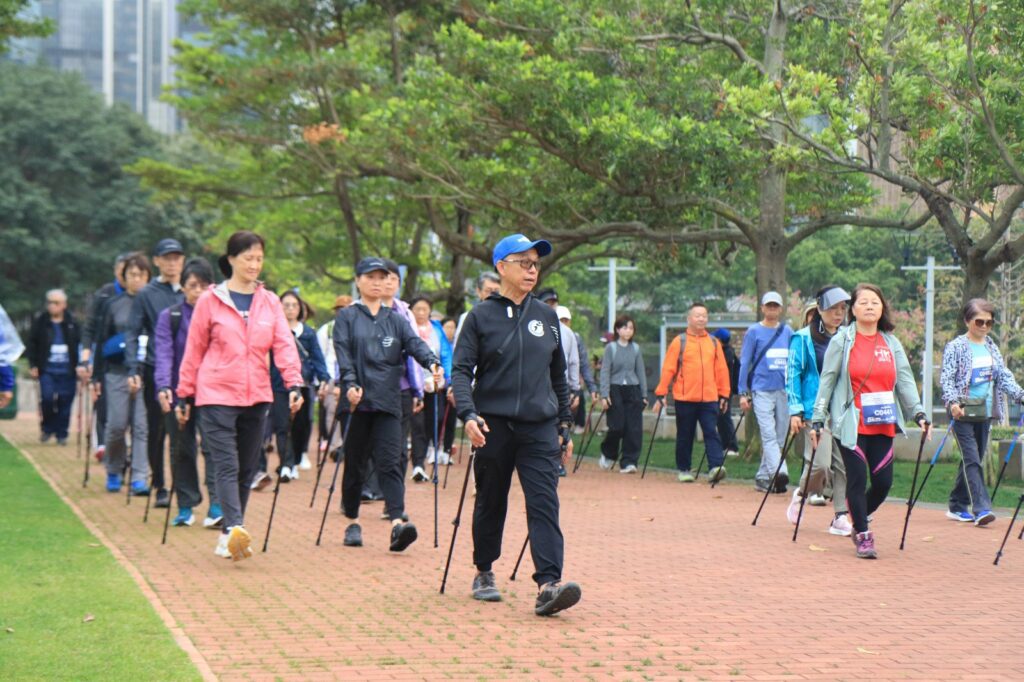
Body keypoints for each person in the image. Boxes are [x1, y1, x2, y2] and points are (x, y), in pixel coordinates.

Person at [452, 233, 581, 616]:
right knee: (491, 498)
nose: (531, 270)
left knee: (544, 501)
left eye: (536, 264)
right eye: (523, 262)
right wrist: (468, 414)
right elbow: (460, 371)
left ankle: (548, 584)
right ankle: (484, 570)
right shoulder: (479, 317)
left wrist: (564, 422)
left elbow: (558, 376)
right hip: (492, 424)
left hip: (539, 426)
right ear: (501, 267)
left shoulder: (547, 316)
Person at [176, 231, 305, 562]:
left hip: (257, 393)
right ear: (231, 259)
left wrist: (293, 383)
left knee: (248, 467)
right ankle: (235, 526)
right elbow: (194, 350)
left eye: (259, 258)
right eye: (248, 257)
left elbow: (283, 344)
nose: (254, 264)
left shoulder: (269, 301)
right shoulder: (210, 300)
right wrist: (184, 394)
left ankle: (228, 535)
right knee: (227, 463)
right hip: (215, 393)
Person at [332, 257, 444, 552]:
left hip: (388, 402)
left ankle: (397, 523)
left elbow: (414, 344)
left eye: (383, 277)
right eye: (370, 277)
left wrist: (432, 362)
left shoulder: (395, 319)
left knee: (392, 461)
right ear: (357, 281)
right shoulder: (347, 317)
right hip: (356, 402)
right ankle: (352, 521)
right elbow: (343, 353)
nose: (377, 282)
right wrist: (350, 383)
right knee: (354, 464)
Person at [811, 283, 930, 560]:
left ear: (882, 309)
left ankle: (859, 513)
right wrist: (818, 419)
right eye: (862, 302)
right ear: (853, 309)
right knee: (856, 477)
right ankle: (863, 534)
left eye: (874, 302)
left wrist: (919, 414)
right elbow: (827, 381)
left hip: (883, 421)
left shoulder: (891, 342)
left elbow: (905, 381)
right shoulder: (842, 340)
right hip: (849, 423)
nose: (869, 306)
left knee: (883, 483)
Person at [940, 298, 1024, 526]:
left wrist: (1020, 395)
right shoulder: (956, 346)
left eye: (989, 322)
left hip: (985, 411)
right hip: (962, 411)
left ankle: (957, 505)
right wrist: (952, 402)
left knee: (972, 457)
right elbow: (946, 378)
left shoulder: (991, 347)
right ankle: (982, 508)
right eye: (979, 321)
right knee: (972, 458)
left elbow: (1003, 377)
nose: (984, 326)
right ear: (968, 321)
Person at [154, 258, 221, 529]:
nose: (198, 291)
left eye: (204, 286)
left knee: (215, 447)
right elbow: (164, 355)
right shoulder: (170, 317)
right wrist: (163, 387)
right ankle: (185, 504)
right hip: (178, 390)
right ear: (182, 288)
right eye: (193, 285)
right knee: (181, 447)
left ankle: (217, 503)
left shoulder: (220, 316)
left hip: (213, 391)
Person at [785, 286, 852, 537]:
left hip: (843, 410)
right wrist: (795, 409)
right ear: (820, 309)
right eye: (833, 308)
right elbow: (793, 375)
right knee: (821, 464)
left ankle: (840, 516)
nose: (838, 314)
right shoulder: (802, 338)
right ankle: (802, 492)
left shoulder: (848, 337)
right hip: (815, 409)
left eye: (842, 309)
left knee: (844, 465)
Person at [126, 238, 186, 509]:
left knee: (184, 432)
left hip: (187, 370)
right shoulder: (147, 294)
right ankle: (159, 484)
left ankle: (184, 485)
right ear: (157, 261)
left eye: (177, 257)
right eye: (168, 258)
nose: (173, 263)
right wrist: (133, 368)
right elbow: (133, 332)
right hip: (155, 369)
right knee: (157, 430)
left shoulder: (191, 289)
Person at [653, 303, 731, 483]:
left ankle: (716, 467)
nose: (701, 318)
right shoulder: (679, 341)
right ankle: (684, 469)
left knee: (711, 432)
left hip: (709, 398)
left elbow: (721, 371)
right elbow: (668, 369)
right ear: (689, 318)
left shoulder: (713, 342)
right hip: (685, 397)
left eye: (704, 315)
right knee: (685, 434)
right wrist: (661, 392)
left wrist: (724, 394)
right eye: (697, 315)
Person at [93, 253, 152, 493]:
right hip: (116, 373)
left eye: (141, 275)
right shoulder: (113, 305)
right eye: (132, 275)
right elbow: (101, 340)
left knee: (141, 426)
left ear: (148, 277)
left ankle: (140, 476)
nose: (136, 279)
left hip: (145, 373)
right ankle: (114, 468)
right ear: (123, 277)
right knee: (116, 425)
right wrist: (97, 375)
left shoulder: (153, 304)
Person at [259, 290, 330, 484]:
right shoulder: (273, 330)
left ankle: (297, 458)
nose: (290, 309)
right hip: (279, 385)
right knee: (283, 425)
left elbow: (317, 358)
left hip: (304, 385)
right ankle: (286, 465)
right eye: (286, 305)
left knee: (303, 424)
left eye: (294, 305)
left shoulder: (307, 333)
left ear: (300, 309)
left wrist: (323, 378)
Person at [739, 292, 794, 494]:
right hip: (761, 389)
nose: (772, 309)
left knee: (780, 436)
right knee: (768, 433)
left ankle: (763, 477)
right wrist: (742, 392)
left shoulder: (787, 331)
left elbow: (794, 359)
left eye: (775, 306)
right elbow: (745, 362)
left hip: (784, 390)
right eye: (768, 306)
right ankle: (780, 472)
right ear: (762, 308)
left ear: (780, 309)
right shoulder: (754, 331)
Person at [80, 253, 130, 460]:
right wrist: (85, 358)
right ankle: (102, 444)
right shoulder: (104, 295)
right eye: (122, 271)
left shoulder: (142, 295)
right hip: (106, 358)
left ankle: (122, 451)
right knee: (103, 403)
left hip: (131, 360)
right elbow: (90, 328)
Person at [27, 289, 83, 445]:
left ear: (64, 305)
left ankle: (61, 433)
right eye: (50, 302)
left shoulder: (72, 323)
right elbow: (32, 344)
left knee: (65, 402)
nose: (52, 306)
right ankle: (47, 428)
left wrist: (82, 365)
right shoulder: (41, 322)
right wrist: (33, 365)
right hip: (47, 369)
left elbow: (80, 344)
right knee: (47, 398)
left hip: (68, 370)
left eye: (56, 303)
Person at [409, 295, 454, 482]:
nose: (421, 313)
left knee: (436, 418)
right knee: (417, 425)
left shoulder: (437, 330)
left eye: (424, 309)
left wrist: (448, 379)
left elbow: (445, 354)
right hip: (414, 385)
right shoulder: (407, 327)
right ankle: (418, 464)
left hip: (435, 384)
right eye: (417, 309)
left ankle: (430, 448)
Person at [598, 314, 647, 474]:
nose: (628, 331)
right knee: (617, 426)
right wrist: (605, 395)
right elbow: (605, 372)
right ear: (618, 330)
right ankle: (608, 453)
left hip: (633, 389)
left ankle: (629, 462)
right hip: (615, 388)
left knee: (633, 428)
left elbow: (640, 372)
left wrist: (644, 395)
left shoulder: (636, 349)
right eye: (625, 327)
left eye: (631, 328)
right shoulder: (610, 348)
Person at [316, 295, 352, 462]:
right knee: (332, 411)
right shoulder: (327, 330)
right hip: (331, 377)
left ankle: (349, 444)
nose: (343, 312)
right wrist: (322, 382)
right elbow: (320, 356)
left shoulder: (357, 328)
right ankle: (335, 446)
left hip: (353, 377)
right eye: (340, 309)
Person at [711, 328, 740, 455]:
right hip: (724, 389)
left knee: (724, 418)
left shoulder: (726, 354)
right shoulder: (727, 352)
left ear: (720, 340)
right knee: (720, 418)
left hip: (724, 390)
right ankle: (725, 445)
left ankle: (732, 446)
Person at [453, 272, 501, 345]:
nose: (493, 295)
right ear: (478, 291)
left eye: (497, 291)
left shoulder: (509, 315)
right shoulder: (468, 317)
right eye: (488, 291)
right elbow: (460, 349)